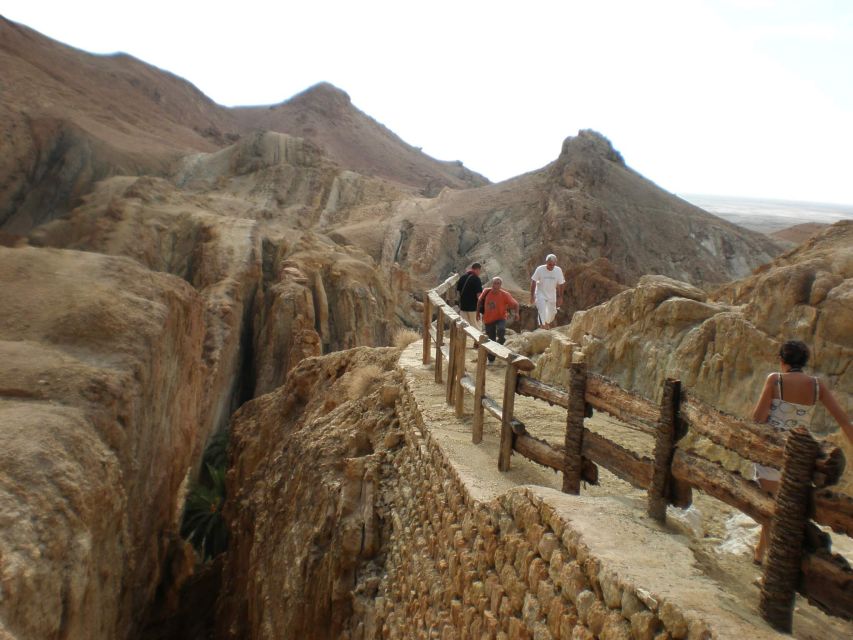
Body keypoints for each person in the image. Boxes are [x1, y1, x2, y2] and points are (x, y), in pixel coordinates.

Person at [750, 340, 852, 565]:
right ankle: (761, 551)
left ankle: (764, 556)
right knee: (783, 506)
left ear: (782, 359)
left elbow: (757, 418)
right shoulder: (817, 386)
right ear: (804, 361)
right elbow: (843, 420)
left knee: (771, 505)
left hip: (772, 451)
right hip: (799, 454)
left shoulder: (775, 380)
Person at [476, 277, 519, 363]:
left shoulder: (505, 294)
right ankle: (491, 358)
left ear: (500, 285)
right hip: (488, 319)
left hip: (500, 317)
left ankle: (501, 341)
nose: (496, 285)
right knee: (491, 340)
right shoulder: (486, 291)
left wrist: (517, 313)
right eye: (495, 283)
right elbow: (479, 301)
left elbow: (516, 304)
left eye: (498, 283)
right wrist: (477, 313)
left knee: (501, 329)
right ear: (492, 284)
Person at [529, 254, 565, 329]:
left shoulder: (558, 270)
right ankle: (543, 326)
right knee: (541, 309)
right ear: (546, 262)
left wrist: (560, 297)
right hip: (540, 293)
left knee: (552, 313)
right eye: (549, 264)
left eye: (553, 265)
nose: (551, 266)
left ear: (555, 263)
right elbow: (533, 281)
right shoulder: (540, 269)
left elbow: (561, 284)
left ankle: (546, 323)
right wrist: (532, 296)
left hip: (552, 294)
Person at [456, 262, 483, 330]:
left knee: (464, 328)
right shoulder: (476, 279)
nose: (479, 273)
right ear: (477, 269)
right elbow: (479, 295)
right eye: (480, 271)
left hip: (463, 308)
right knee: (477, 327)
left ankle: (464, 340)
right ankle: (477, 341)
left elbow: (458, 292)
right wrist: (481, 307)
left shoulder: (462, 277)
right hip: (473, 308)